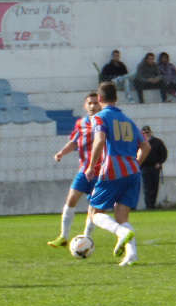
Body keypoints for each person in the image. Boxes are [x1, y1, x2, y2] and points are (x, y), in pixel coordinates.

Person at [85, 81, 150, 267]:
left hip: (113, 169)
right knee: (122, 217)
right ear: (117, 98)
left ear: (99, 98)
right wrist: (134, 165)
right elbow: (146, 146)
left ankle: (121, 233)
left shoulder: (99, 117)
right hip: (133, 171)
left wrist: (91, 166)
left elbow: (99, 140)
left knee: (95, 213)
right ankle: (132, 255)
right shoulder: (128, 120)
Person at [47, 92, 102, 248]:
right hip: (84, 171)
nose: (92, 106)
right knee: (71, 200)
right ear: (85, 106)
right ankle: (63, 237)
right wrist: (61, 153)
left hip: (101, 172)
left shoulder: (105, 123)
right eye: (90, 103)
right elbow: (74, 142)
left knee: (94, 207)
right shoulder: (81, 123)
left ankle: (86, 239)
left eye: (96, 103)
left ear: (101, 105)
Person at [139, 126, 168, 209]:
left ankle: (153, 204)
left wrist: (159, 163)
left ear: (150, 132)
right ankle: (148, 205)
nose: (146, 134)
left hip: (155, 167)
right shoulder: (140, 143)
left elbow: (164, 154)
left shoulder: (157, 142)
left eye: (147, 132)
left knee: (154, 187)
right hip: (144, 168)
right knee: (146, 187)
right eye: (144, 133)